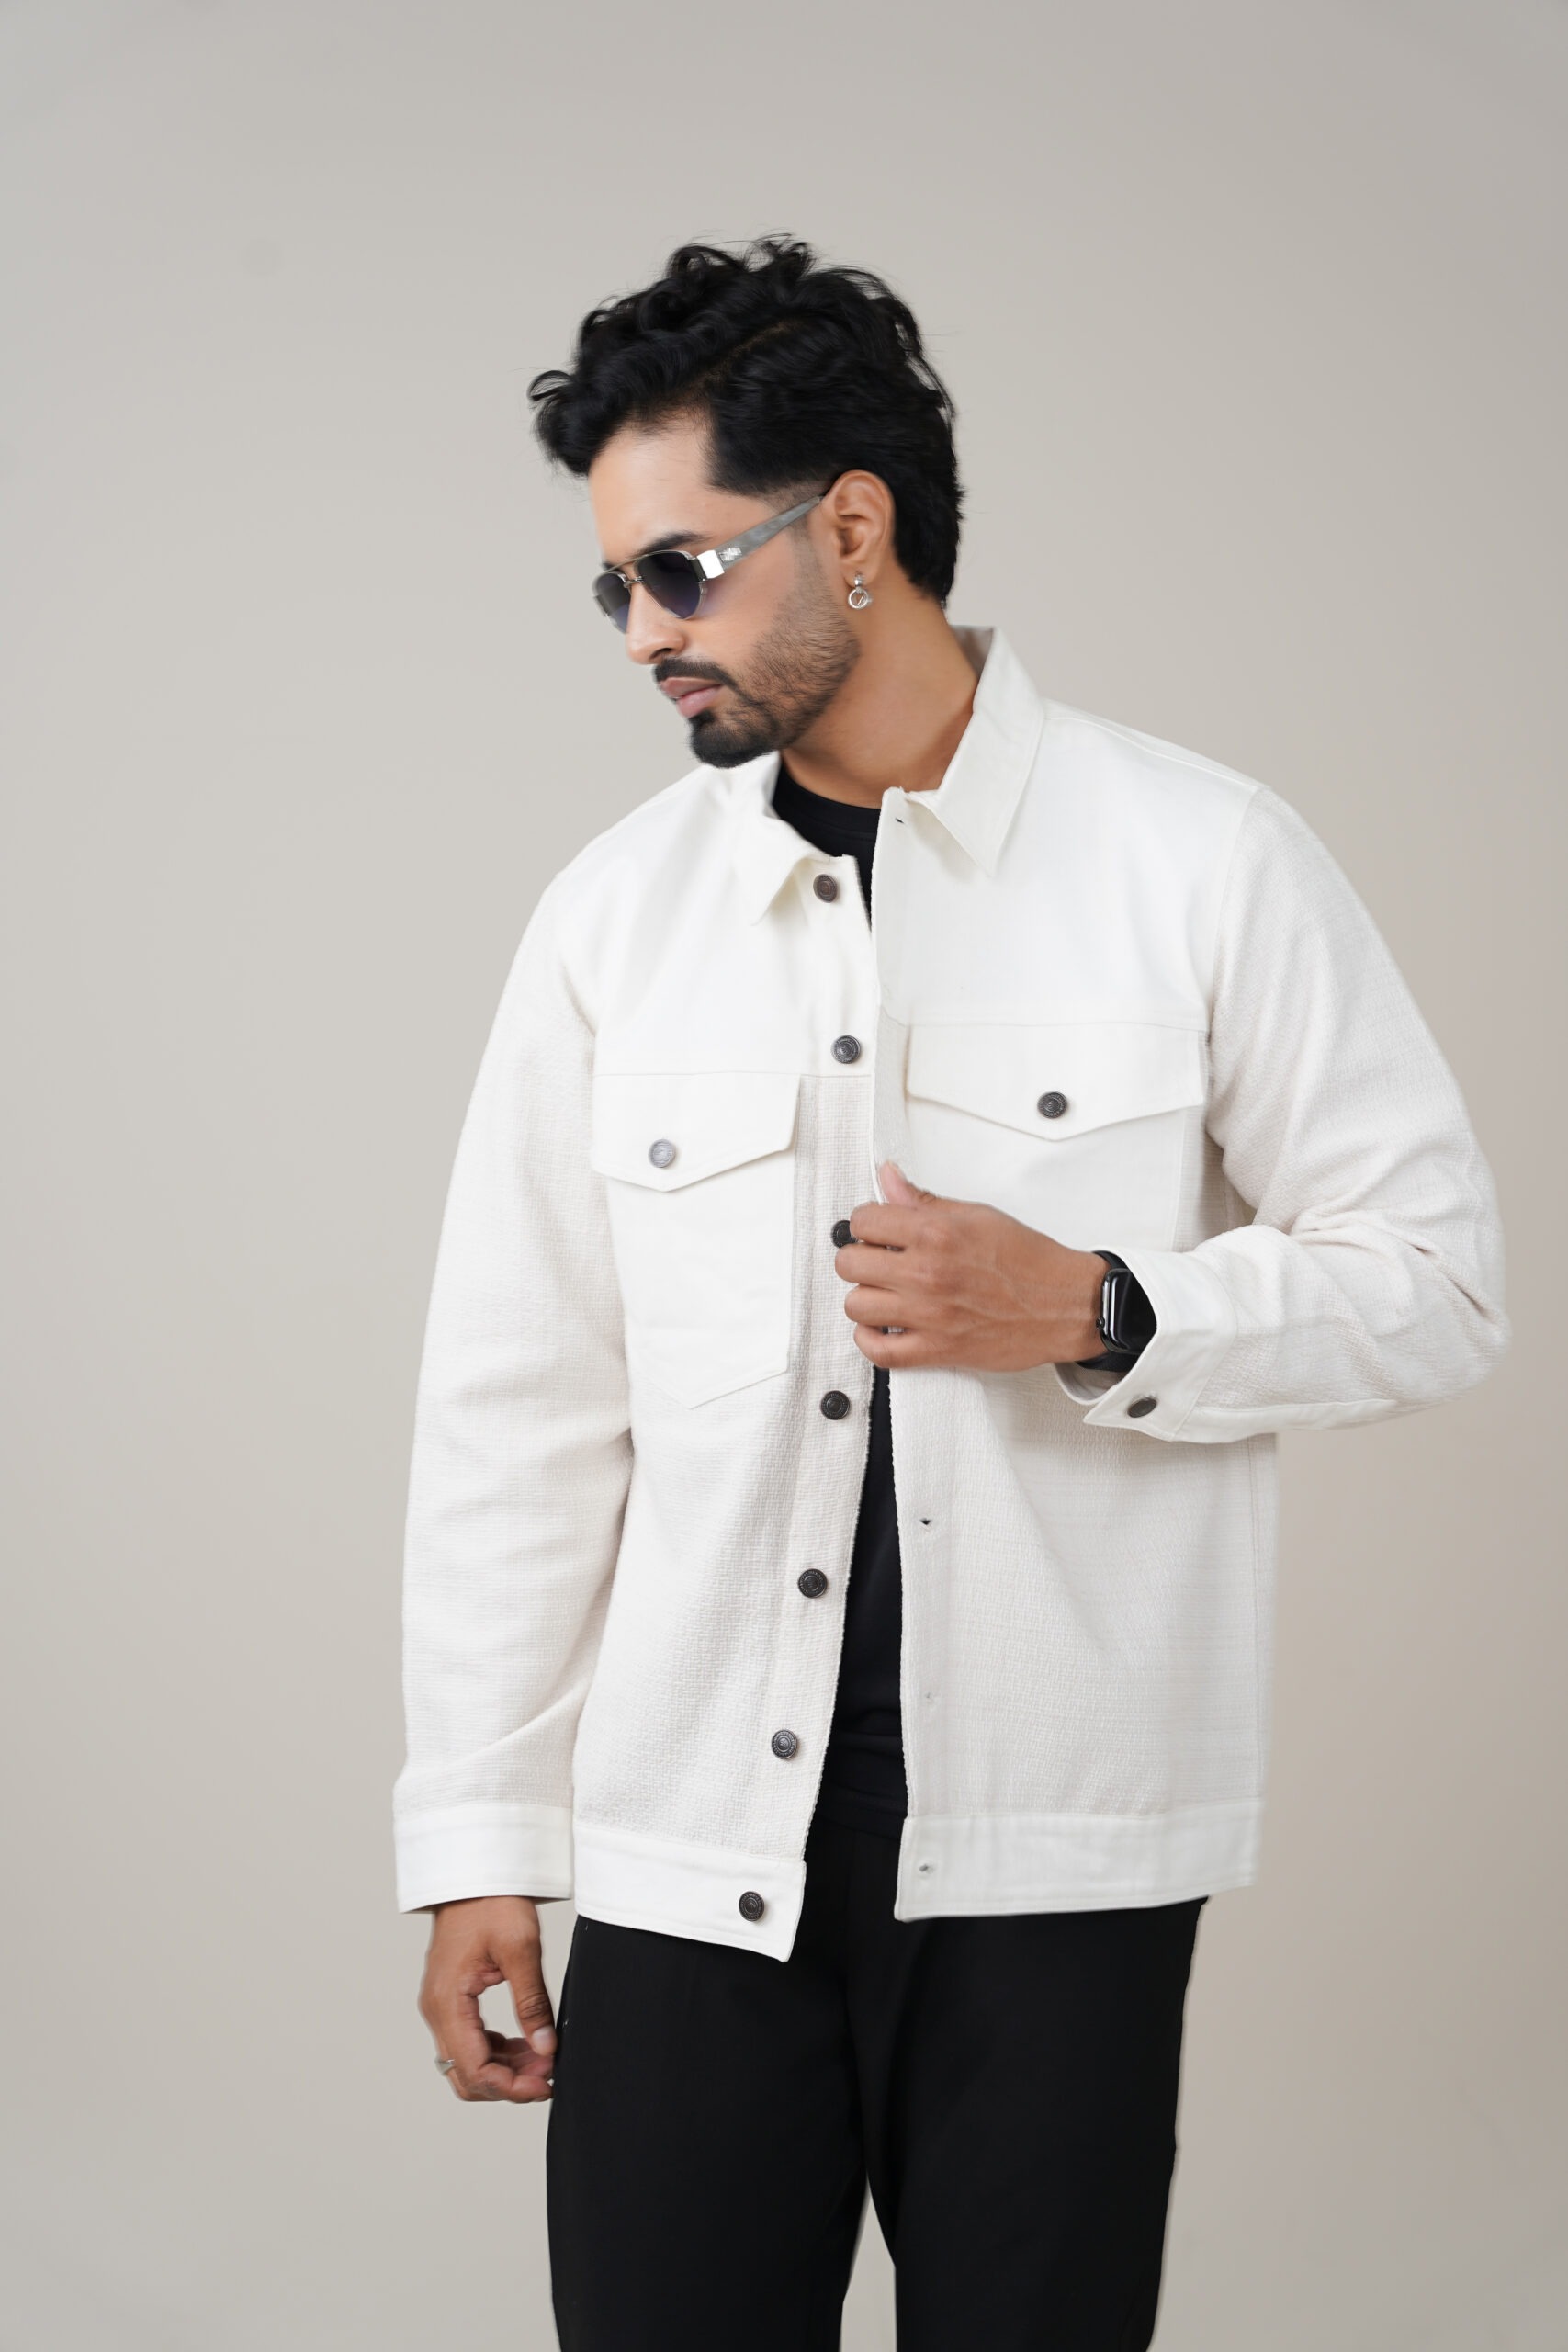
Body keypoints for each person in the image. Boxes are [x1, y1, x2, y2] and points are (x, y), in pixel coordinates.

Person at [392, 237, 1507, 2350]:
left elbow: (1435, 1277)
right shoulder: (612, 925)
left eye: (680, 570)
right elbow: (514, 1412)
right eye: (611, 587)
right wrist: (474, 1837)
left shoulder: (1196, 859)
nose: (644, 633)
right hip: (687, 1839)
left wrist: (1099, 1307)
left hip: (1053, 1857)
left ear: (851, 528)